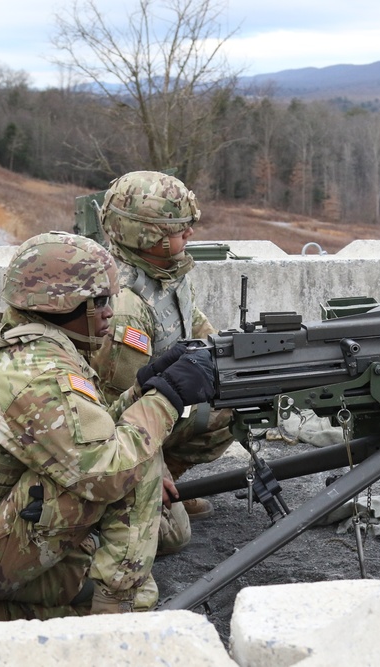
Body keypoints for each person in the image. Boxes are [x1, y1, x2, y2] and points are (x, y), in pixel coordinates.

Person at [0, 231, 214, 623]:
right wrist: (167, 398)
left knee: (137, 463)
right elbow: (108, 472)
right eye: (98, 301)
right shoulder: (37, 372)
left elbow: (90, 435)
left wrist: (143, 388)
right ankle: (118, 609)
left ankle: (7, 602)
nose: (109, 312)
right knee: (136, 462)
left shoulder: (35, 345)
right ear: (64, 304)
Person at [89, 170, 234, 521]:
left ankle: (168, 480)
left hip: (161, 401)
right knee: (173, 536)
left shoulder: (167, 273)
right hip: (125, 427)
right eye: (178, 228)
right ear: (146, 235)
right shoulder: (125, 305)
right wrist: (153, 470)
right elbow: (114, 414)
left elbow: (198, 328)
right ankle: (142, 487)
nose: (189, 233)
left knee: (234, 398)